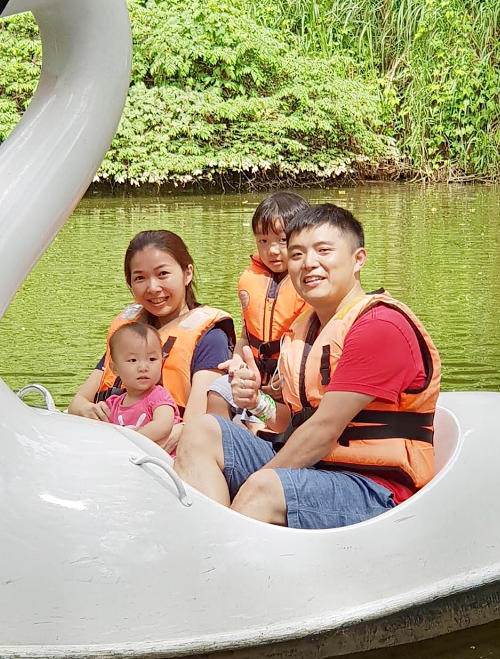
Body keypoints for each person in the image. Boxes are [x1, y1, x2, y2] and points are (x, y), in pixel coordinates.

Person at [174, 204, 441, 529]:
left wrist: (255, 480)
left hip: (378, 490)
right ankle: (206, 547)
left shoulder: (379, 325)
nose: (308, 263)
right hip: (320, 470)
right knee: (202, 430)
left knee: (264, 487)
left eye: (323, 250)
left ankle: (214, 561)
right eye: (297, 254)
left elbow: (324, 429)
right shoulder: (305, 330)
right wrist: (256, 399)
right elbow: (292, 419)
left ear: (358, 259)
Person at [69, 230, 236, 453]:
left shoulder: (211, 337)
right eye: (140, 278)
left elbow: (196, 422)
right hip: (113, 442)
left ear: (187, 274)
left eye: (163, 274)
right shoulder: (127, 333)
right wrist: (88, 411)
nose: (153, 288)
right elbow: (78, 402)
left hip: (164, 455)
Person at [207, 191, 310, 428]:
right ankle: (222, 440)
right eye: (263, 241)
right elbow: (246, 336)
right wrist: (236, 362)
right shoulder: (252, 279)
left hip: (288, 384)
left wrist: (283, 380)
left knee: (258, 425)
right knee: (217, 391)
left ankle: (254, 437)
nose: (272, 250)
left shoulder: (311, 282)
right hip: (254, 375)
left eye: (282, 240)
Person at [93, 323, 181, 450]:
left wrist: (129, 441)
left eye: (152, 359)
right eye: (133, 360)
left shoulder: (159, 396)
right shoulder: (113, 404)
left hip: (157, 464)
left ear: (161, 362)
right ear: (114, 368)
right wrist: (98, 412)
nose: (143, 368)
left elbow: (163, 425)